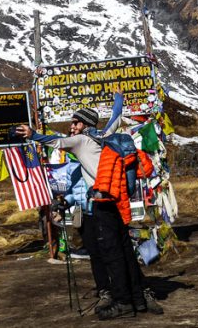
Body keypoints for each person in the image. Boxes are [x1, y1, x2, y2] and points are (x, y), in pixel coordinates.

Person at [13, 93, 163, 319]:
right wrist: (118, 100)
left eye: (75, 123)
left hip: (101, 202)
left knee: (112, 253)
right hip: (118, 200)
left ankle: (122, 301)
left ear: (84, 124)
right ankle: (139, 298)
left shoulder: (82, 140)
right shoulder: (105, 135)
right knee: (125, 250)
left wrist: (33, 134)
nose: (71, 127)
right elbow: (115, 117)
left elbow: (57, 142)